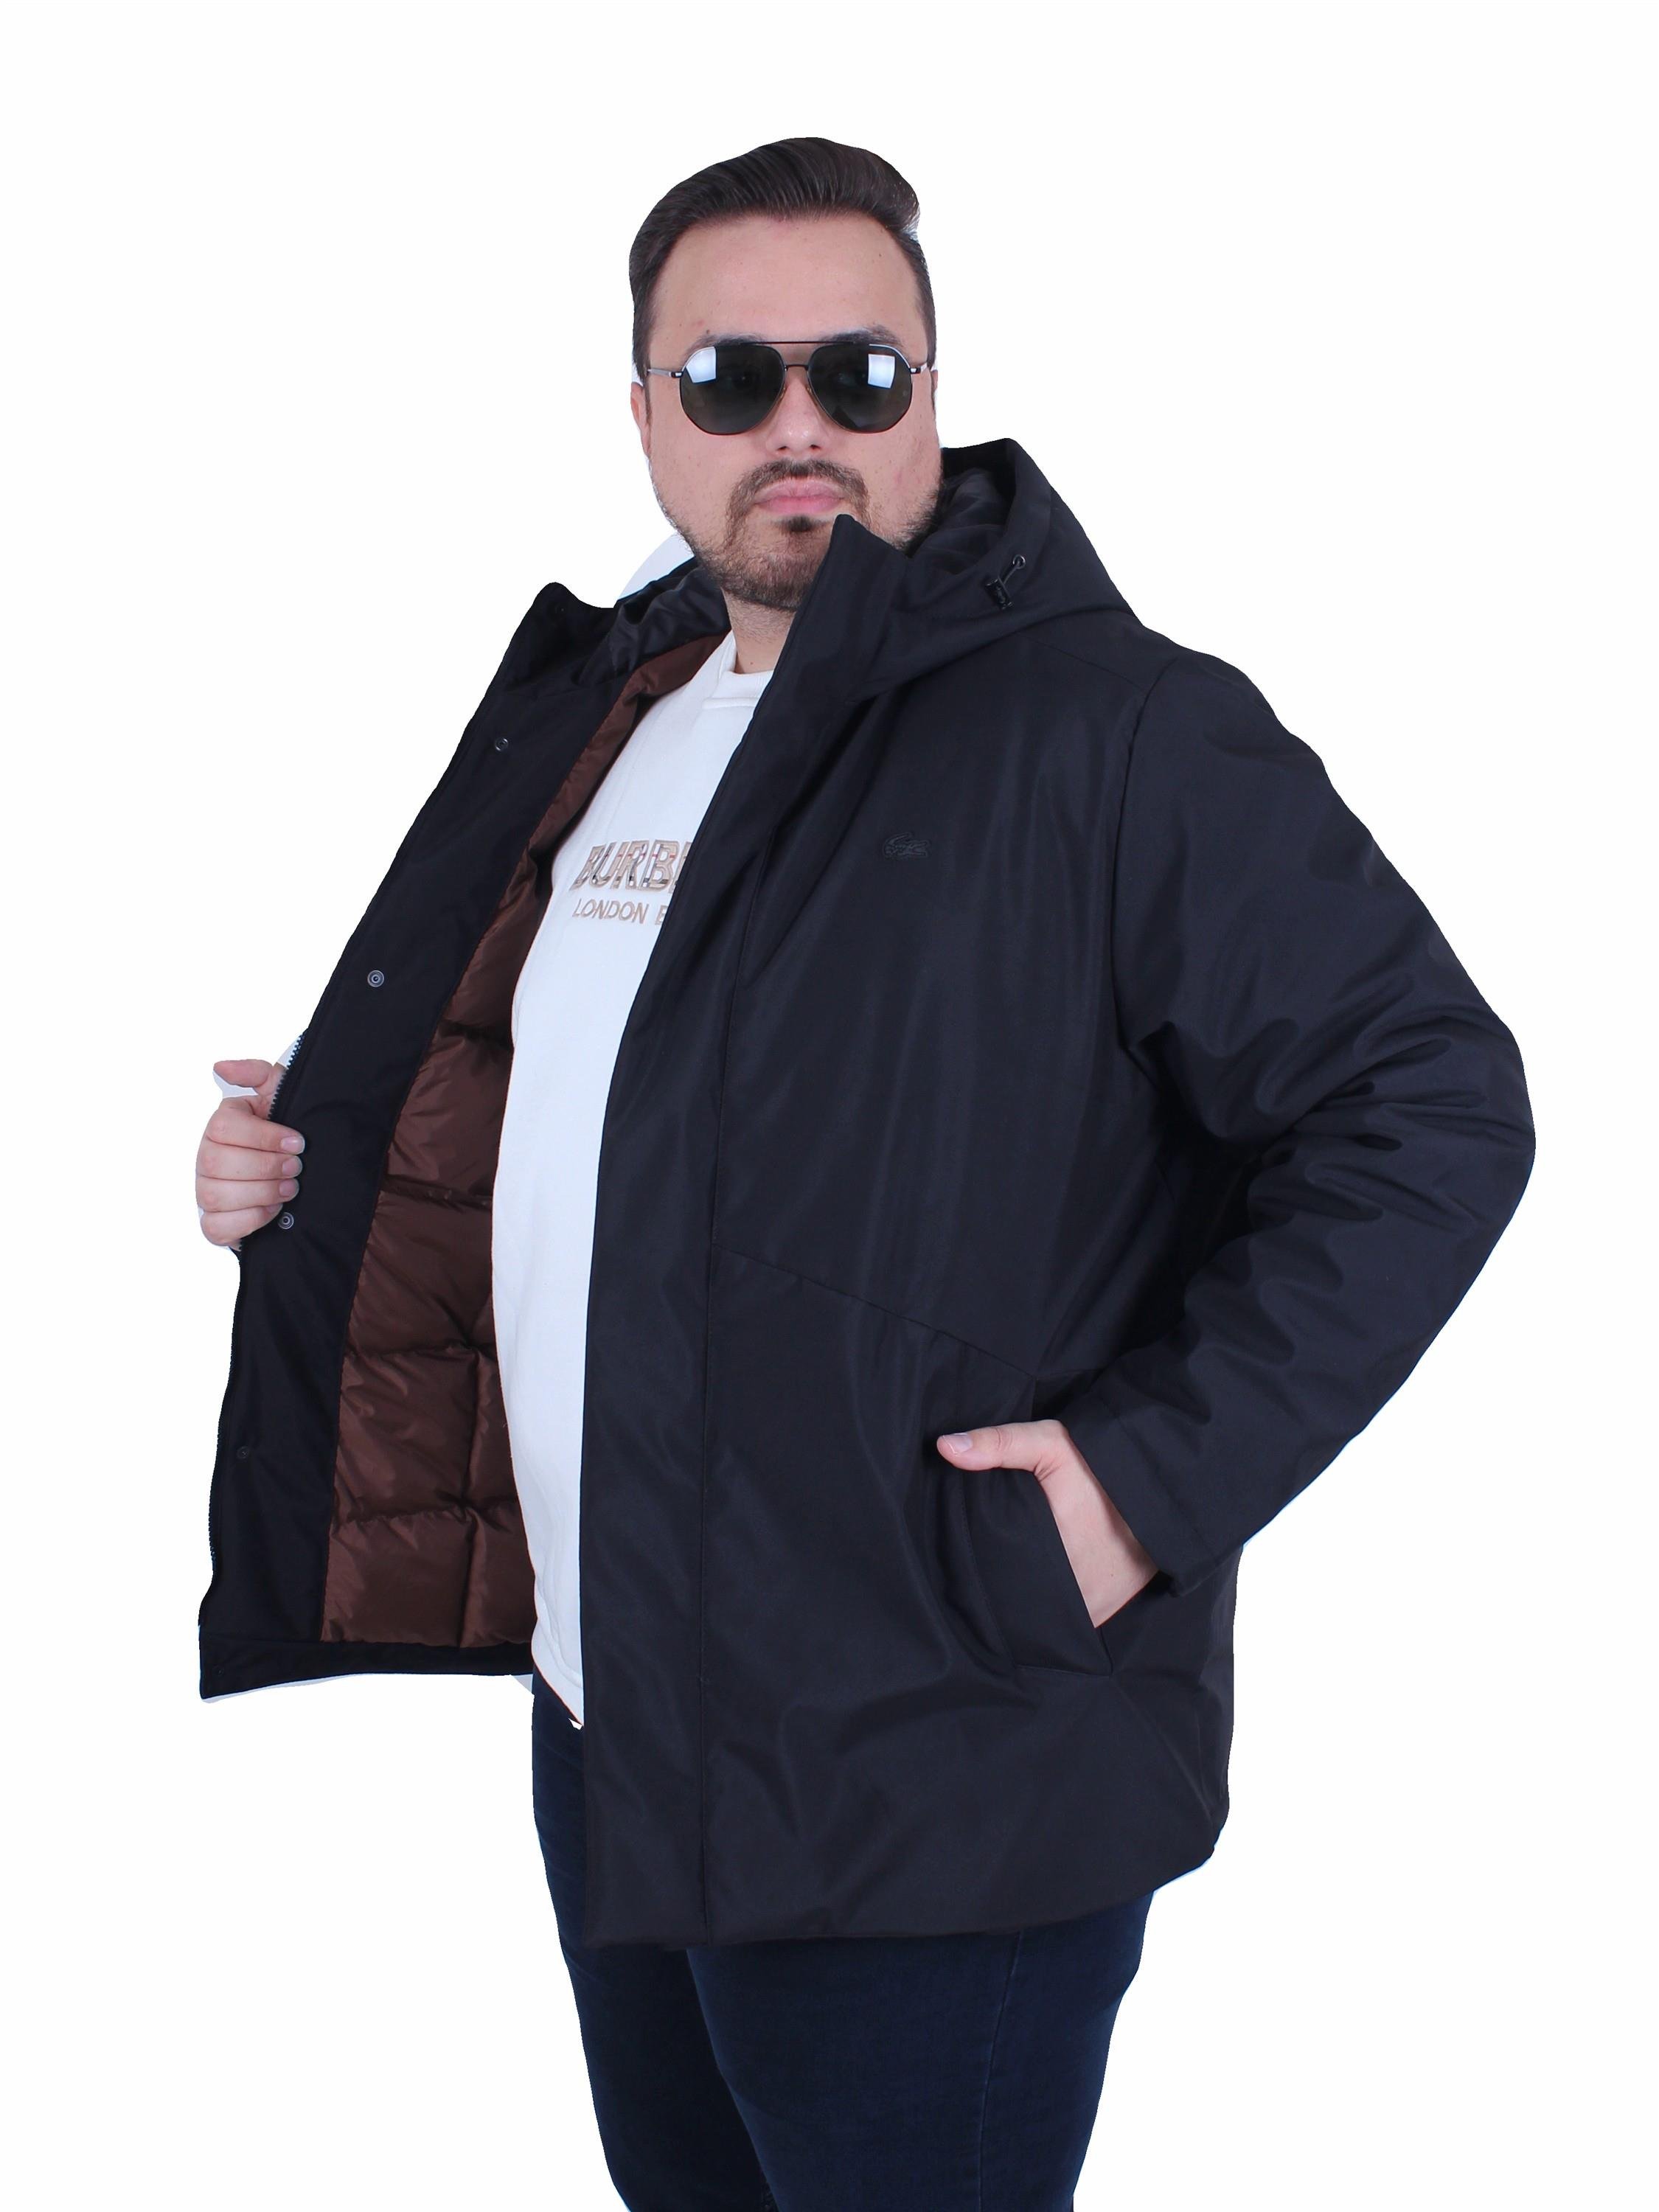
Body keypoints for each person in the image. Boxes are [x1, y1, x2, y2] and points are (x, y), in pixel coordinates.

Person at [191, 136, 1536, 2211]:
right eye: (732, 377)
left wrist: (1141, 1485)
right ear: (646, 412)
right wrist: (319, 1168)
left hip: (934, 1735)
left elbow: (1427, 1101)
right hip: (618, 1714)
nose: (798, 423)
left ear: (931, 394)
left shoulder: (1117, 730)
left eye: (860, 373)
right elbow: (601, 1096)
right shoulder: (618, 715)